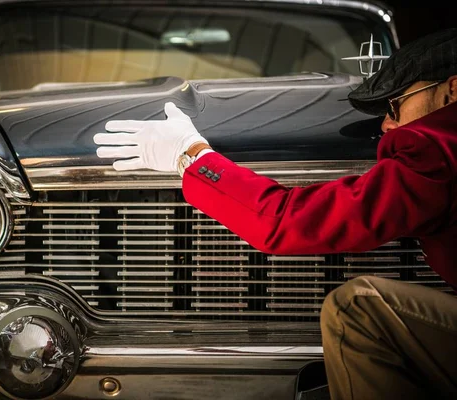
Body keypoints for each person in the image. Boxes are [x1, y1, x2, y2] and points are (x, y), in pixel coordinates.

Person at [93, 27, 457, 400]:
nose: (386, 125)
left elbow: (286, 221)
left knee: (357, 309)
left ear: (453, 90)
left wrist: (191, 156)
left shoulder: (439, 149)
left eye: (395, 105)